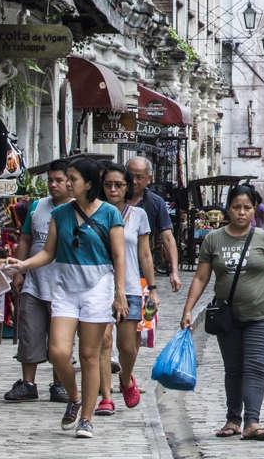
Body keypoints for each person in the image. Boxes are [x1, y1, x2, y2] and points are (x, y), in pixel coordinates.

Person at [5, 157, 126, 439]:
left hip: (97, 286)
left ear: (88, 183)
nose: (68, 183)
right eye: (66, 178)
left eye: (73, 179)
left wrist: (119, 292)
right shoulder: (60, 214)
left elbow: (119, 256)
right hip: (65, 286)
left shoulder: (109, 213)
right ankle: (74, 396)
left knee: (89, 354)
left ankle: (86, 418)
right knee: (57, 352)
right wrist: (24, 265)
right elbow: (48, 252)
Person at [179, 184, 264, 441]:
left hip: (262, 315)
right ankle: (233, 419)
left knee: (255, 367)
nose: (242, 212)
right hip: (228, 317)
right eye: (236, 207)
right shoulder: (214, 239)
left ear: (254, 209)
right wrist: (188, 309)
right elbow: (201, 278)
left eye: (247, 207)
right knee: (233, 369)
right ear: (228, 209)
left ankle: (252, 421)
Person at [5, 159, 73, 403]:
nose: (53, 185)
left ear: (70, 181)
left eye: (58, 180)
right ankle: (28, 383)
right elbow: (26, 239)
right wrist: (19, 271)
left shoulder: (77, 209)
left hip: (64, 285)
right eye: (50, 180)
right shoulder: (37, 206)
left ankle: (60, 384)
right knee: (29, 333)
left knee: (60, 339)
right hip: (34, 281)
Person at [97, 162, 157, 414]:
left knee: (128, 346)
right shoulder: (95, 213)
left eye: (118, 185)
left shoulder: (138, 215)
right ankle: (105, 396)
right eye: (108, 185)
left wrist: (152, 288)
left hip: (131, 286)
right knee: (103, 341)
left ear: (126, 187)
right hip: (101, 286)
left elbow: (145, 254)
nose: (113, 190)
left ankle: (125, 378)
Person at [125, 157, 181, 292]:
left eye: (139, 177)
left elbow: (167, 237)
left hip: (140, 269)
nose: (134, 181)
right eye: (130, 176)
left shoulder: (155, 202)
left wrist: (174, 271)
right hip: (112, 268)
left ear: (149, 178)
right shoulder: (113, 198)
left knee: (140, 304)